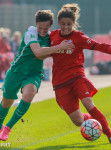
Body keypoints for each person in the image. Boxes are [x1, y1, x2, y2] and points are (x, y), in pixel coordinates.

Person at [37, 4, 111, 144]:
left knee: (88, 103)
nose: (66, 27)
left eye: (69, 24)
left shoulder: (78, 37)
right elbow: (40, 49)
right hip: (60, 84)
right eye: (63, 24)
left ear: (74, 24)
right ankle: (94, 122)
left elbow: (98, 45)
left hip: (77, 77)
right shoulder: (53, 36)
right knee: (78, 121)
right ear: (59, 23)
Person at [0, 10, 74, 141]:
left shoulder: (51, 37)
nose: (42, 31)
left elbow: (50, 53)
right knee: (7, 102)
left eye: (46, 28)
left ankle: (8, 128)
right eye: (40, 27)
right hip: (16, 71)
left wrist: (61, 49)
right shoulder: (31, 32)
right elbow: (38, 52)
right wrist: (58, 48)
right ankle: (0, 126)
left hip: (34, 73)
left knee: (29, 94)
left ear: (50, 26)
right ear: (36, 25)